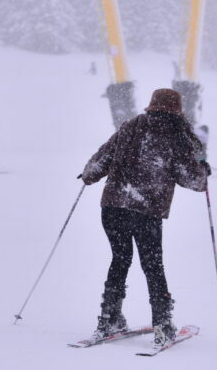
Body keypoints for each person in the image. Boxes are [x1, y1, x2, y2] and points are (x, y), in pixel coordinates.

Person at [80, 88, 209, 347]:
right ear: (177, 110)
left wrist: (88, 175)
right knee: (152, 266)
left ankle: (108, 319)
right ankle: (162, 325)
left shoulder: (130, 126)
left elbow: (100, 161)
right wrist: (203, 172)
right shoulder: (178, 136)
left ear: (151, 106)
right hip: (146, 211)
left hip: (113, 206)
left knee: (120, 259)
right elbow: (192, 180)